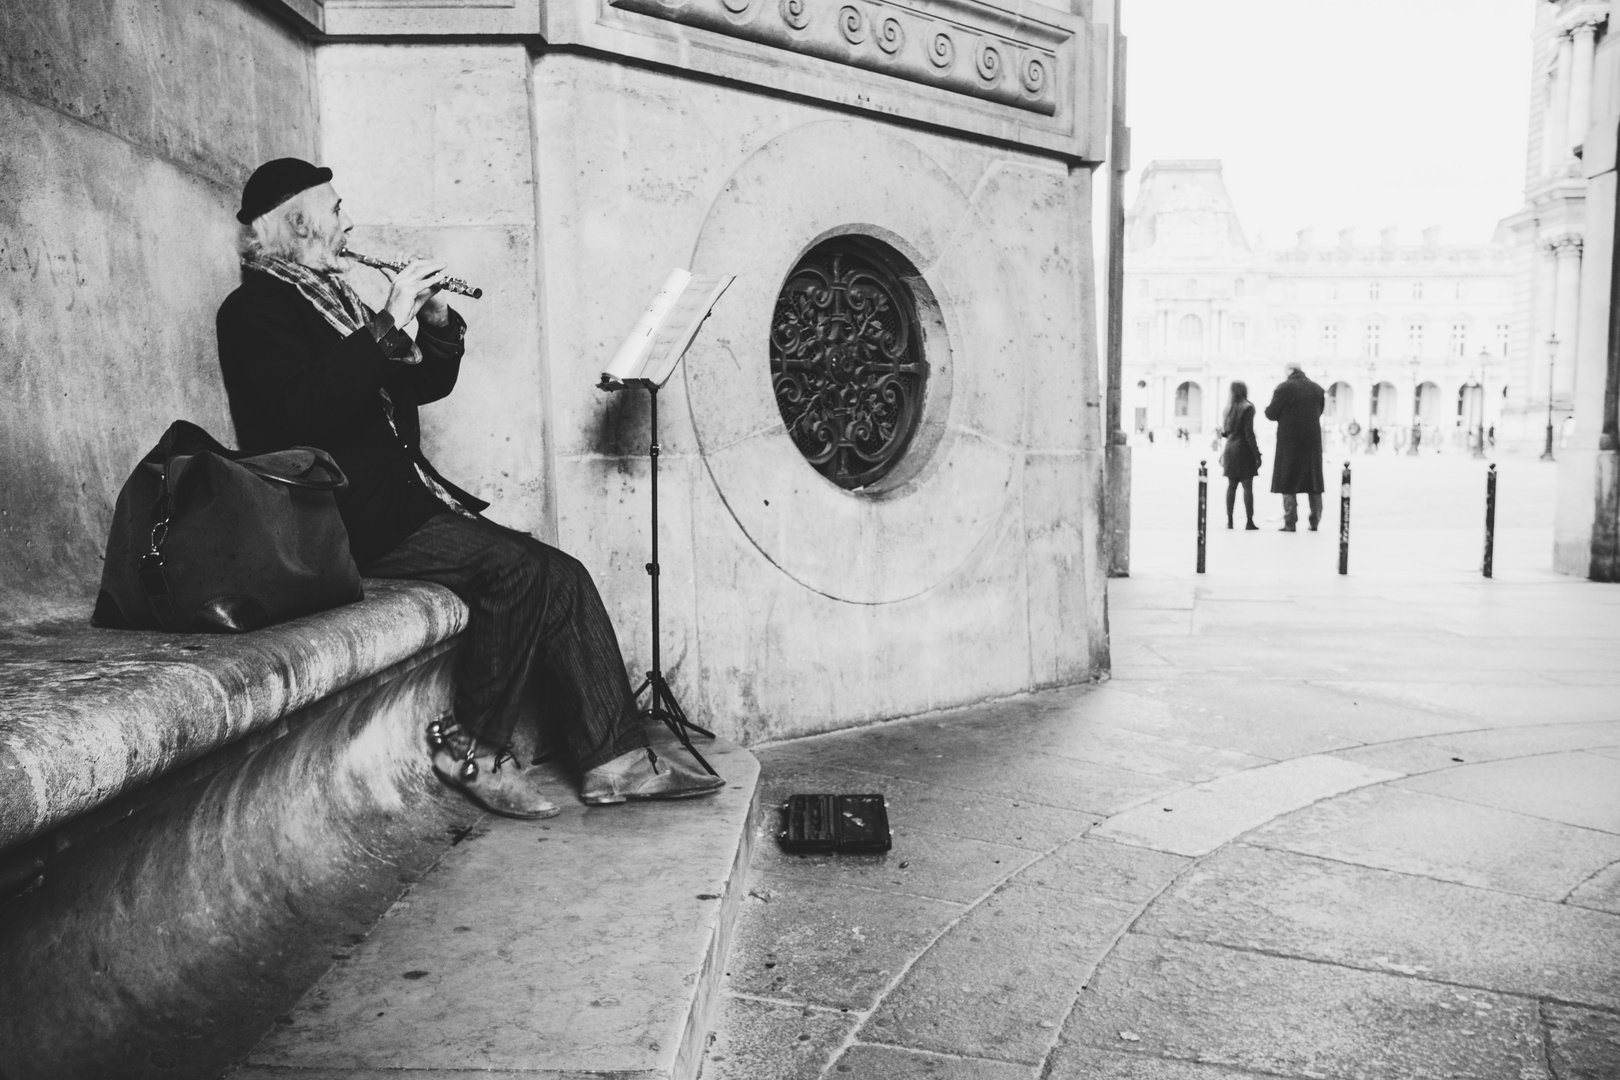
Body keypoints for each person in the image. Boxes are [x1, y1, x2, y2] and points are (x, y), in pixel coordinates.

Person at [215, 158, 723, 819]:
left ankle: (615, 759)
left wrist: (433, 320)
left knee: (559, 573)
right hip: (336, 522)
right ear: (298, 223)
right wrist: (386, 321)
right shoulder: (254, 310)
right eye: (336, 210)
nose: (348, 222)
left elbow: (419, 384)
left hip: (398, 505)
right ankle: (473, 747)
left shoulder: (333, 299)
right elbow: (299, 413)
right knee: (519, 573)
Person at [1264, 362, 1326, 532]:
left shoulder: (1284, 388)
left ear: (1289, 371)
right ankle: (1315, 520)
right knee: (1314, 483)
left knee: (1288, 481)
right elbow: (1319, 411)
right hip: (1312, 442)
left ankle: (1290, 521)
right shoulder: (1317, 389)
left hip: (1289, 442)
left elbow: (1271, 413)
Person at [1218, 381, 1261, 530]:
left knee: (1231, 486)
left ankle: (1229, 521)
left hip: (1230, 448)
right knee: (1247, 487)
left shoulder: (1227, 408)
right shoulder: (1248, 407)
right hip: (1244, 449)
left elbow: (1224, 432)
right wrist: (1257, 453)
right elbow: (1249, 433)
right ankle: (1249, 521)